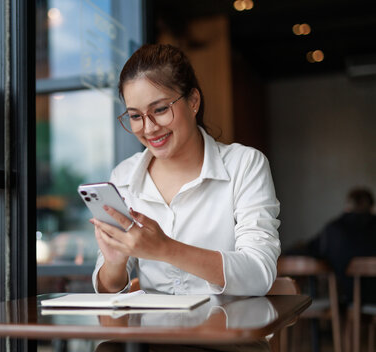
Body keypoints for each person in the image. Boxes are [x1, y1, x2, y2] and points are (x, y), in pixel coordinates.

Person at [91, 44, 281, 298]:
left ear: (193, 101)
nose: (148, 128)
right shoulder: (123, 177)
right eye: (135, 116)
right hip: (155, 336)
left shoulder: (244, 165)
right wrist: (114, 262)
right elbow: (107, 289)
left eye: (159, 110)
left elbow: (259, 274)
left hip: (229, 333)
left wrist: (166, 249)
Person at [308, 187, 376, 305]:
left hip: (347, 297)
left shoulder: (333, 229)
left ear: (347, 206)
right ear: (372, 207)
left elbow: (311, 250)